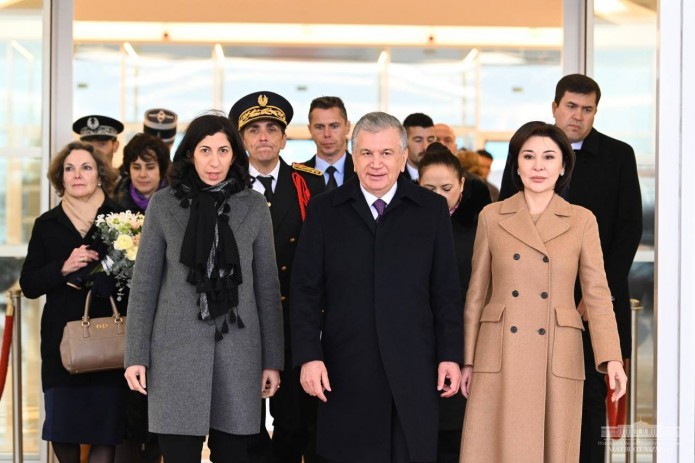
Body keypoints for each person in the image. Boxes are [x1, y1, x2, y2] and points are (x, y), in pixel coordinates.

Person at [291, 111, 463, 463]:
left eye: (386, 153)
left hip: (415, 368)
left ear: (403, 158)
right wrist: (309, 356)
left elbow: (445, 290)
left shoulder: (430, 210)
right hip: (345, 369)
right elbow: (305, 291)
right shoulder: (325, 210)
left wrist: (451, 355)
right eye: (367, 153)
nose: (376, 163)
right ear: (353, 157)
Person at [460, 121, 628, 462]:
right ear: (516, 165)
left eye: (549, 157)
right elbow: (476, 295)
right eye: (529, 156)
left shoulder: (581, 220)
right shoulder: (492, 216)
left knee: (553, 450)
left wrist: (612, 357)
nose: (539, 166)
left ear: (563, 165)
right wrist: (468, 359)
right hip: (501, 352)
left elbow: (596, 295)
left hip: (556, 352)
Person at [123, 113, 284, 463]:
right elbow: (145, 283)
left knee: (234, 454)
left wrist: (273, 360)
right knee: (179, 455)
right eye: (205, 150)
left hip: (239, 352)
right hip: (174, 354)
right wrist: (135, 354)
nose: (214, 161)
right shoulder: (164, 204)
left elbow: (267, 288)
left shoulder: (253, 205)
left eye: (223, 151)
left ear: (235, 155)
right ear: (190, 154)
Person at [498, 74, 642, 462]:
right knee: (530, 401)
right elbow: (507, 225)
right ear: (555, 107)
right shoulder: (528, 150)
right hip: (529, 304)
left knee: (592, 402)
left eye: (587, 109)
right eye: (571, 106)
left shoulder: (618, 155)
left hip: (594, 303)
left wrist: (594, 297)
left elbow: (629, 230)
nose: (577, 115)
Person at [229, 90, 325, 463]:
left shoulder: (309, 184)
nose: (264, 136)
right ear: (243, 140)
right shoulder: (228, 187)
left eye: (272, 128)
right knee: (243, 423)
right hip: (241, 321)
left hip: (293, 320)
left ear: (285, 138)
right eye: (254, 130)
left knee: (295, 423)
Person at [20, 141, 124, 463]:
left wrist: (116, 279)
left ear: (100, 175)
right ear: (60, 178)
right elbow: (29, 285)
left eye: (86, 167)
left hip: (110, 342)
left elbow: (144, 279)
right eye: (69, 169)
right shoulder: (47, 224)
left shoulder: (123, 219)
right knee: (63, 433)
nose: (77, 175)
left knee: (105, 436)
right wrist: (62, 268)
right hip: (61, 347)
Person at [417, 143, 482, 463]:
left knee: (457, 435)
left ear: (462, 186)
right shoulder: (404, 225)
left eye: (447, 188)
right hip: (416, 343)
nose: (439, 196)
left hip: (465, 342)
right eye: (429, 188)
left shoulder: (479, 228)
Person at [303, 96, 354, 189]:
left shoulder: (364, 171)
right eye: (319, 127)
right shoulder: (296, 176)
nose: (327, 134)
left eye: (334, 126)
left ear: (347, 127)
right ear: (310, 129)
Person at [115, 133, 171, 214]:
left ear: (161, 169)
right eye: (136, 167)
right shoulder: (114, 207)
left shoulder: (178, 203)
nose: (142, 174)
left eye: (150, 167)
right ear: (129, 170)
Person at [402, 112, 437, 182]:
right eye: (418, 140)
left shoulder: (447, 175)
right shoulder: (394, 179)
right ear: (404, 142)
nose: (426, 147)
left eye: (430, 140)